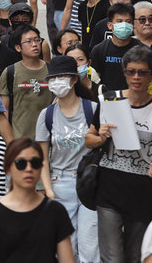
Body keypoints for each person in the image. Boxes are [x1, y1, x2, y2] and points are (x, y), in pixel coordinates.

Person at [86, 45, 152, 262]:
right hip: (110, 189)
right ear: (124, 72)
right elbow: (88, 139)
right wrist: (100, 137)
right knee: (111, 257)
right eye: (131, 72)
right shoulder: (109, 100)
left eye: (142, 72)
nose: (136, 77)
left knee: (137, 256)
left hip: (145, 192)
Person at [36, 56, 99, 262]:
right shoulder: (47, 115)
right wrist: (48, 190)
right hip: (60, 184)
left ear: (74, 79)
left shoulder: (92, 109)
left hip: (90, 183)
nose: (57, 82)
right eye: (53, 78)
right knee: (66, 249)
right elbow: (42, 157)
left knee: (90, 249)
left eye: (62, 76)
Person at [0, 138, 75, 262]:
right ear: (7, 169)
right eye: (21, 163)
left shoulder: (56, 211)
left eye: (35, 163)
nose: (29, 169)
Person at [0, 25, 52, 140]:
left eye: (37, 40)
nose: (34, 44)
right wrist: (10, 142)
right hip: (20, 141)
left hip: (50, 139)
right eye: (29, 41)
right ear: (18, 48)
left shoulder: (52, 70)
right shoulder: (10, 72)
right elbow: (4, 111)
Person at [90, 4, 142, 90]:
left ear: (133, 25)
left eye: (128, 21)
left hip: (134, 98)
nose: (124, 25)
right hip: (108, 99)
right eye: (119, 21)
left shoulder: (142, 50)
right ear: (110, 25)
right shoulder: (99, 50)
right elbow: (95, 81)